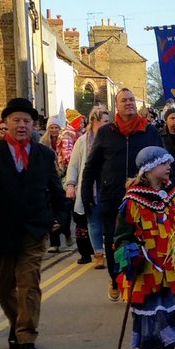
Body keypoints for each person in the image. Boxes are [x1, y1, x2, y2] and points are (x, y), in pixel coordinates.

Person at [0, 96, 67, 349]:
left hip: (33, 230)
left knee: (29, 285)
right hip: (0, 229)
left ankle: (27, 337)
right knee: (1, 286)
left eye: (27, 121)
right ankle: (17, 321)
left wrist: (59, 217)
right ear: (6, 123)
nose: (22, 125)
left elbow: (56, 191)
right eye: (16, 121)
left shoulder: (45, 154)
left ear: (33, 125)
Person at [112, 146, 175, 349]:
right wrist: (129, 255)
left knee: (173, 309)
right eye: (163, 163)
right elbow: (121, 235)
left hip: (171, 266)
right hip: (146, 268)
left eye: (169, 162)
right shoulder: (132, 200)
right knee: (148, 311)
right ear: (147, 170)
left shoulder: (173, 195)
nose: (169, 166)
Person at [80, 88, 161, 299]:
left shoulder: (149, 131)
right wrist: (86, 193)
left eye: (132, 100)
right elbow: (91, 165)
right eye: (124, 100)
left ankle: (139, 280)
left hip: (144, 197)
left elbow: (162, 162)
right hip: (112, 197)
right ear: (117, 105)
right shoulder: (106, 132)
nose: (129, 103)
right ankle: (116, 279)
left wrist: (165, 190)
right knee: (114, 241)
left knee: (142, 239)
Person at [65, 105, 110, 267]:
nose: (107, 124)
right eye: (104, 121)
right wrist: (71, 184)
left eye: (108, 121)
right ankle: (98, 253)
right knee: (94, 221)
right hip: (91, 188)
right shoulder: (82, 141)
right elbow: (74, 165)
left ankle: (113, 252)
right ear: (94, 121)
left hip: (109, 187)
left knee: (112, 221)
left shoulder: (112, 138)